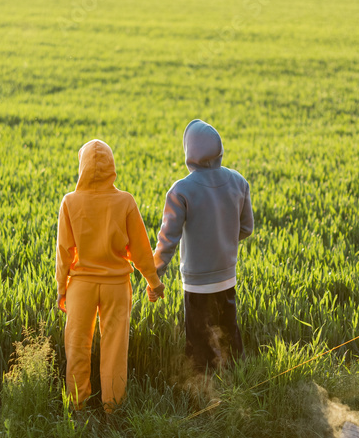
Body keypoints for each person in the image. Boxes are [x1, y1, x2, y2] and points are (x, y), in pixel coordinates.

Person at [56, 139, 164, 413]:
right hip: (117, 285)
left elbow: (64, 253)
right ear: (112, 167)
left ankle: (77, 409)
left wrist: (61, 289)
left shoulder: (70, 201)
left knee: (77, 347)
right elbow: (141, 250)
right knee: (115, 350)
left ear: (82, 167)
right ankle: (113, 410)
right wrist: (154, 282)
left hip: (81, 286)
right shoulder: (125, 200)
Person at [152, 119, 253, 373]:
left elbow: (168, 241)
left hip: (197, 283)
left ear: (189, 152)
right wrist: (222, 239)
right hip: (227, 277)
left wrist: (154, 276)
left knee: (199, 342)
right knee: (229, 334)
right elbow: (246, 228)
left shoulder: (181, 190)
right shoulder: (239, 182)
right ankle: (239, 384)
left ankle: (205, 397)